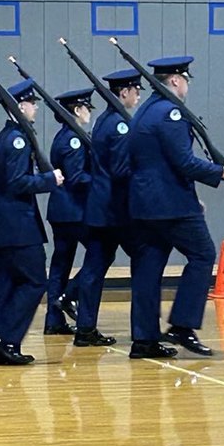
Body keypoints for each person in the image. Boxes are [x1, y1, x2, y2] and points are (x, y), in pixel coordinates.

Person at [127, 56, 224, 359]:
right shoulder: (170, 113)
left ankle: (144, 339)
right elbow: (183, 161)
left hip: (145, 204)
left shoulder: (146, 111)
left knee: (148, 271)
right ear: (176, 80)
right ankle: (182, 324)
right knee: (203, 254)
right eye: (185, 79)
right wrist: (220, 173)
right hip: (171, 206)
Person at [0, 78, 63, 365]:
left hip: (5, 224)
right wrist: (49, 179)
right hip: (19, 225)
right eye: (31, 104)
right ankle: (9, 339)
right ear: (20, 105)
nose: (34, 109)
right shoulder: (18, 139)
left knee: (9, 282)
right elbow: (17, 182)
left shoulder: (6, 137)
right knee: (34, 282)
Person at [73, 68, 143, 347]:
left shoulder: (105, 120)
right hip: (117, 210)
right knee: (144, 261)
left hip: (102, 207)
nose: (137, 97)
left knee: (95, 267)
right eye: (135, 91)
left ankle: (85, 326)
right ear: (123, 92)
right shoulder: (120, 124)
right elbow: (122, 169)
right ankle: (143, 331)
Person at [43, 87, 93, 335]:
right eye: (86, 108)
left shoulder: (64, 136)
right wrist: (101, 179)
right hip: (74, 210)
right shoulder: (74, 139)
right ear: (77, 110)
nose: (89, 113)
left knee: (60, 263)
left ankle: (53, 319)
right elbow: (76, 178)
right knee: (99, 254)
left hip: (61, 210)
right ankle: (70, 294)